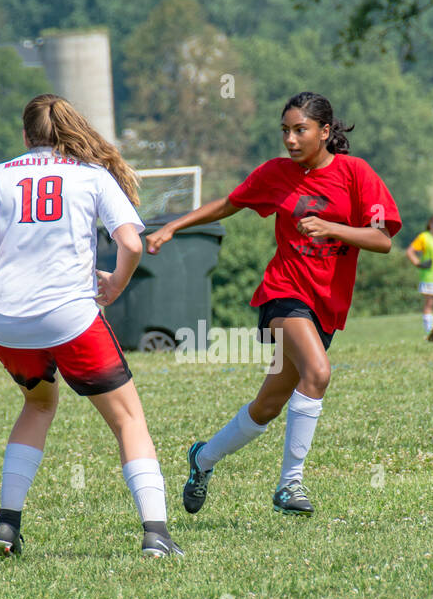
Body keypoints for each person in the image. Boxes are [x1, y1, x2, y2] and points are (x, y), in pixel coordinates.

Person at [0, 93, 183, 558]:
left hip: (6, 324)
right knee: (128, 419)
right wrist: (115, 283)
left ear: (24, 135)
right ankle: (156, 532)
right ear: (69, 131)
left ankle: (7, 526)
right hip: (70, 318)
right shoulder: (91, 176)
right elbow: (131, 244)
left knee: (38, 405)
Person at [146, 91, 400, 516]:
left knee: (267, 406)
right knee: (318, 373)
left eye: (300, 130)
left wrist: (332, 228)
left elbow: (382, 240)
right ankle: (289, 485)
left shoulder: (357, 175)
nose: (291, 139)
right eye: (285, 131)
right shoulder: (276, 174)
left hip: (326, 307)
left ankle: (202, 458)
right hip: (284, 293)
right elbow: (229, 204)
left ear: (324, 130)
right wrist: (173, 226)